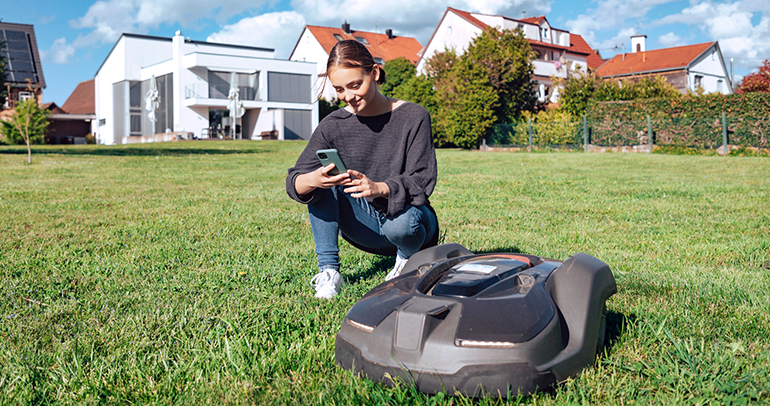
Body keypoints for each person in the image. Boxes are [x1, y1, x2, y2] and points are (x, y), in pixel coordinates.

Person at [286, 40, 439, 299]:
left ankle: (405, 261)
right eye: (340, 89)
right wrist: (313, 179)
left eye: (355, 85)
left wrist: (379, 188)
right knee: (321, 181)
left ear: (375, 73)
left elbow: (423, 181)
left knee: (400, 225)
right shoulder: (332, 125)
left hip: (412, 224)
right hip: (363, 227)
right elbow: (295, 182)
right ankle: (329, 273)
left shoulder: (414, 116)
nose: (348, 96)